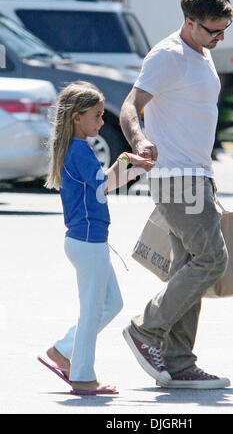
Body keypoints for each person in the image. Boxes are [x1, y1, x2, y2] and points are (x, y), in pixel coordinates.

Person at [120, 0, 233, 389]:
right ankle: (146, 329)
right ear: (189, 22)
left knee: (191, 266)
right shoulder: (168, 55)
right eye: (213, 30)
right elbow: (130, 106)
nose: (220, 37)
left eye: (224, 30)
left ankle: (180, 362)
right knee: (212, 261)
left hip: (195, 174)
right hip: (176, 177)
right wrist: (140, 140)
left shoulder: (200, 52)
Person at [38, 81, 154, 396]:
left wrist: (132, 166)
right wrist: (129, 162)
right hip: (87, 242)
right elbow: (104, 184)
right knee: (91, 311)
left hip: (89, 241)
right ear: (76, 117)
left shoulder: (78, 149)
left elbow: (104, 186)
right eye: (97, 116)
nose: (102, 122)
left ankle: (63, 350)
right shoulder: (79, 150)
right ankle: (82, 377)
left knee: (111, 303)